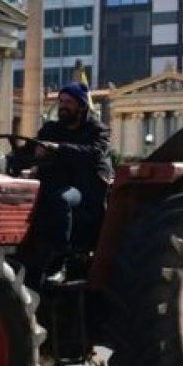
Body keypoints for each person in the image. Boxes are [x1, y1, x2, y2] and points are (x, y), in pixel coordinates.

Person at [30, 81, 113, 257]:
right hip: (54, 180)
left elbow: (94, 153)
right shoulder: (51, 128)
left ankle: (62, 256)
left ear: (82, 106)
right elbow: (32, 148)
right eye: (61, 102)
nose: (63, 106)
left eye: (68, 102)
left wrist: (57, 148)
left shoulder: (98, 130)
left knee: (62, 199)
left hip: (85, 185)